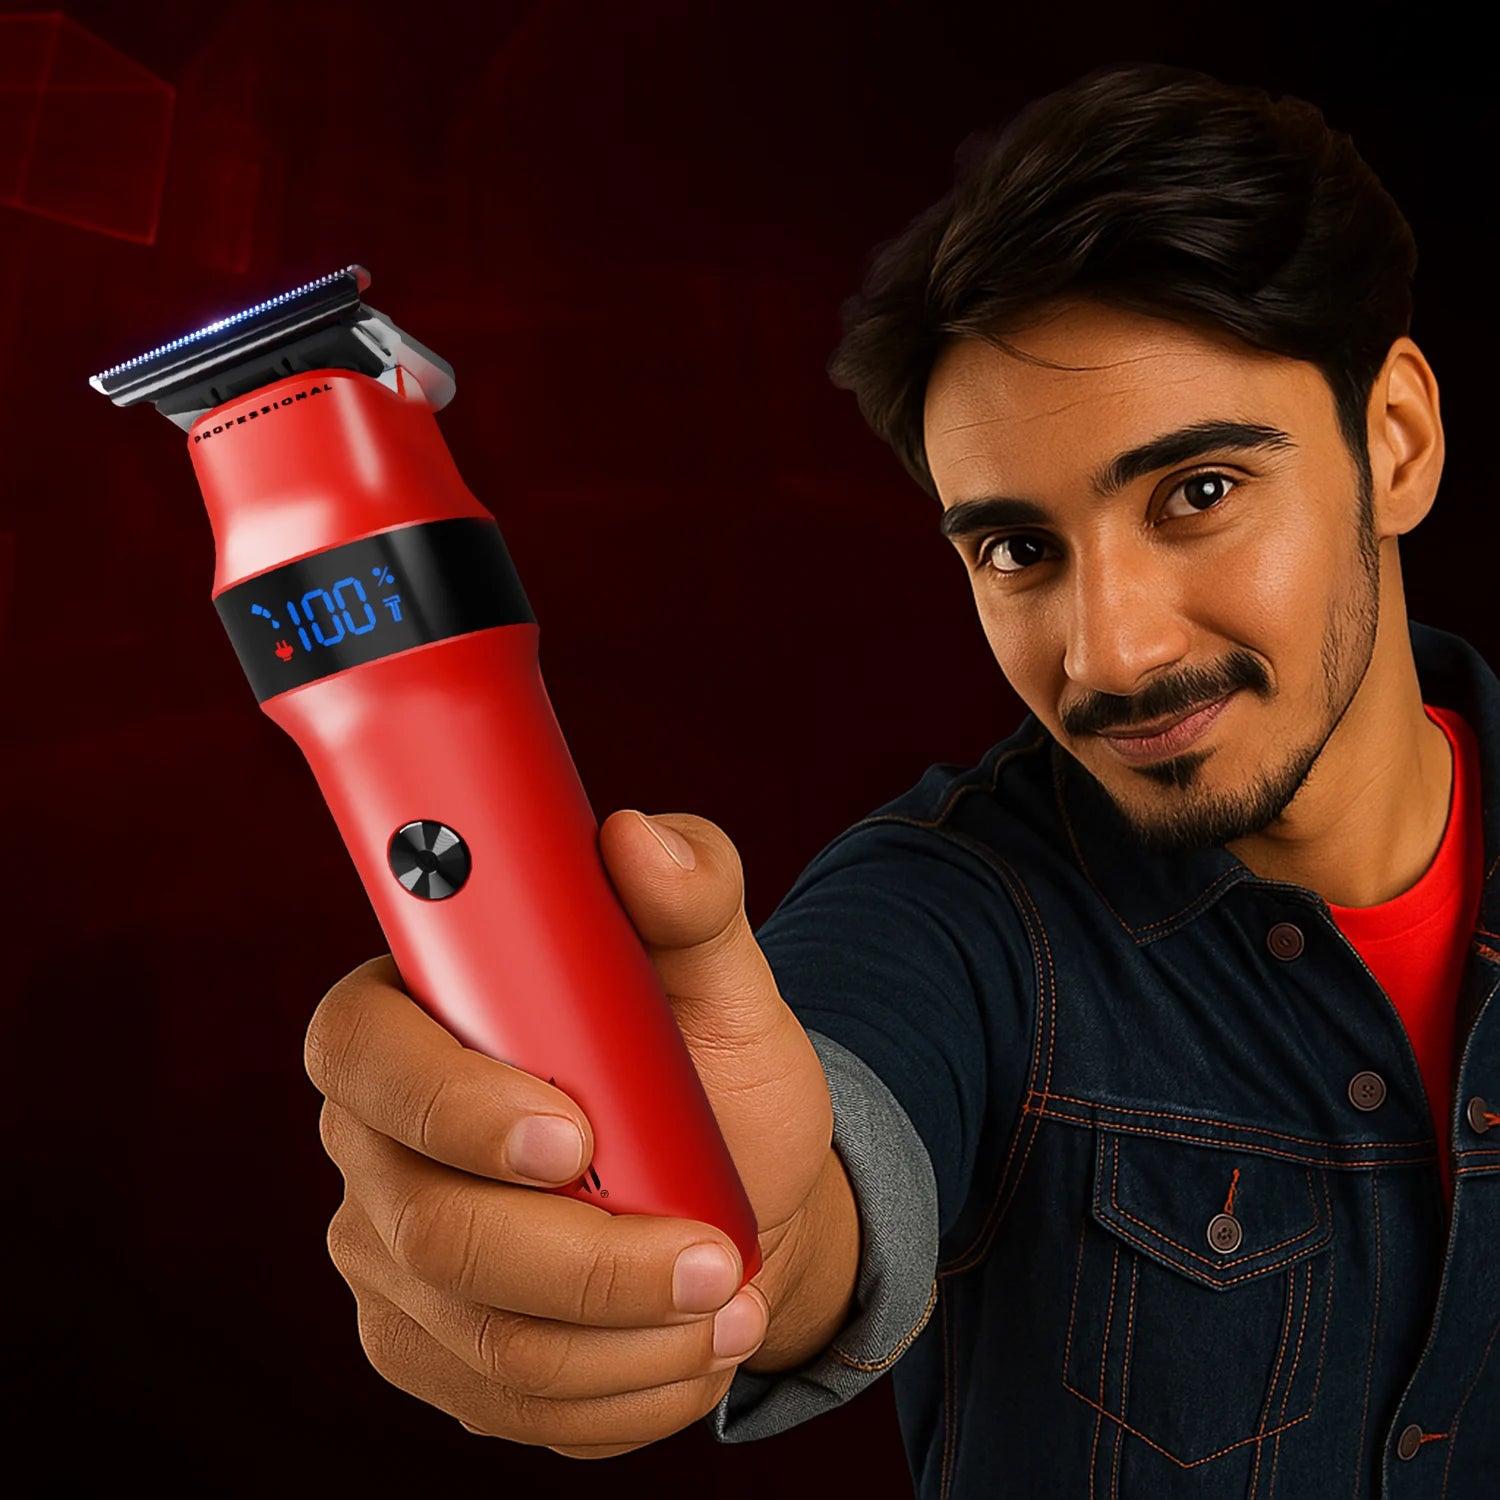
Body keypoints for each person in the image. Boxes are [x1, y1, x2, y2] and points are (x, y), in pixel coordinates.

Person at [304, 61, 1500, 1496]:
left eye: (1198, 494)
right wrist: (731, 1221)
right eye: (1018, 551)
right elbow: (817, 1176)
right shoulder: (950, 908)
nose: (1109, 651)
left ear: (1399, 443)